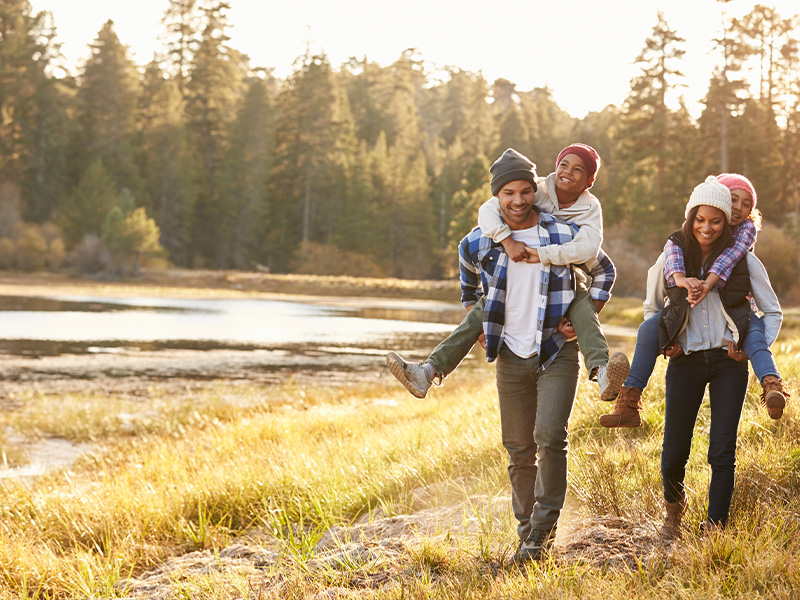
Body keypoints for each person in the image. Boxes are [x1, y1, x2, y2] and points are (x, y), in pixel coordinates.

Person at [452, 149, 617, 564]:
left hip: (556, 349)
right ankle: (528, 535)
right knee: (518, 449)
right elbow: (468, 277)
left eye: (526, 191)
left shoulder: (561, 233)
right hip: (510, 353)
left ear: (534, 192)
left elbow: (604, 268)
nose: (519, 200)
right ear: (497, 197)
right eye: (509, 193)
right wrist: (477, 317)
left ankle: (542, 533)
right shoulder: (481, 238)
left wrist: (584, 313)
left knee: (550, 437)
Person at [386, 145, 628, 402]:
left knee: (582, 305)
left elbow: (594, 252)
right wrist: (506, 240)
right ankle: (427, 372)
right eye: (563, 165)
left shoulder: (589, 210)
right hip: (512, 285)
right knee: (483, 308)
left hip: (565, 282)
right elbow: (488, 211)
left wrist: (580, 315)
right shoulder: (538, 189)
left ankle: (602, 372)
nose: (519, 199)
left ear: (590, 181)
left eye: (578, 169)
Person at [642, 176, 782, 537]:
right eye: (701, 219)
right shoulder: (672, 257)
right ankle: (674, 512)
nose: (708, 226)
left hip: (727, 364)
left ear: (725, 222)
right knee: (674, 449)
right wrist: (665, 341)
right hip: (685, 362)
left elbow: (773, 312)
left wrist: (750, 346)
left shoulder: (744, 262)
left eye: (717, 220)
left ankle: (716, 525)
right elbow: (650, 308)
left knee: (722, 450)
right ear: (692, 218)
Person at [600, 173, 789, 428]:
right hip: (686, 337)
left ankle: (772, 384)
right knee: (647, 329)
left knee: (754, 333)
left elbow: (731, 260)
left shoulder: (742, 243)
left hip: (736, 319)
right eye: (733, 200)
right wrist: (669, 334)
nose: (739, 208)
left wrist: (708, 283)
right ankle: (630, 399)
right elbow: (657, 292)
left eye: (746, 204)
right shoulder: (678, 243)